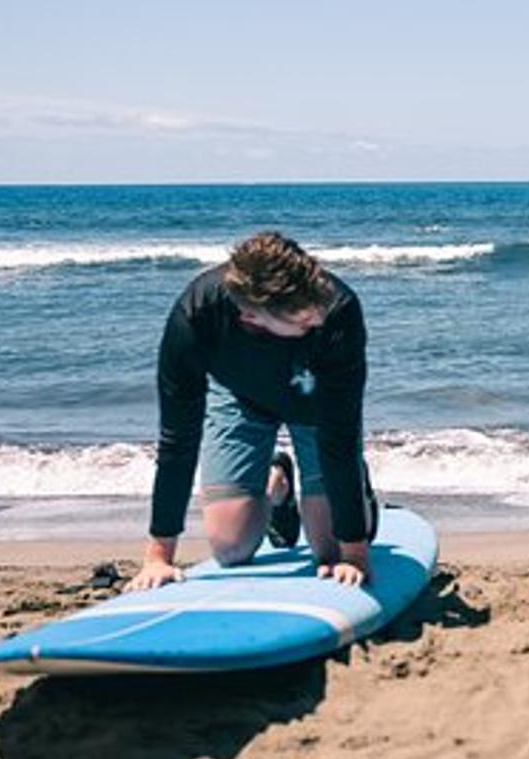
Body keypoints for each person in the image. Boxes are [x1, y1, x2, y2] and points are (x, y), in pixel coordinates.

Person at [130, 231, 376, 591]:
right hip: (239, 396)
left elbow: (338, 436)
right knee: (231, 548)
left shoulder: (336, 309)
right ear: (252, 318)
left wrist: (354, 553)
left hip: (314, 403)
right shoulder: (196, 317)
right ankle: (278, 482)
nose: (318, 319)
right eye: (304, 319)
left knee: (329, 553)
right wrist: (159, 556)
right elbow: (177, 441)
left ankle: (360, 486)